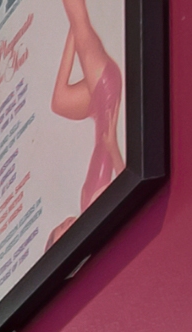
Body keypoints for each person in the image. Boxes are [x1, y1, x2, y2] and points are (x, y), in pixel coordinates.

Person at [45, 0, 129, 211]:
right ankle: (77, 23)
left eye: (59, 228)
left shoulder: (84, 209)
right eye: (62, 231)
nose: (64, 226)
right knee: (81, 23)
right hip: (106, 92)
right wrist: (113, 147)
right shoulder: (94, 215)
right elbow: (126, 187)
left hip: (98, 104)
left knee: (59, 103)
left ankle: (74, 25)